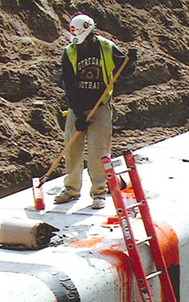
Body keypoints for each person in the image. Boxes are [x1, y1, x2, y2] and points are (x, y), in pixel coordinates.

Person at [55, 13, 135, 209]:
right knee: (72, 149)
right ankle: (71, 189)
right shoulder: (70, 52)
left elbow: (124, 71)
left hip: (100, 107)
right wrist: (78, 112)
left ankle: (99, 192)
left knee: (98, 152)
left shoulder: (107, 48)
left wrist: (131, 61)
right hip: (78, 106)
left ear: (92, 34)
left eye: (84, 41)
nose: (81, 45)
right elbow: (68, 85)